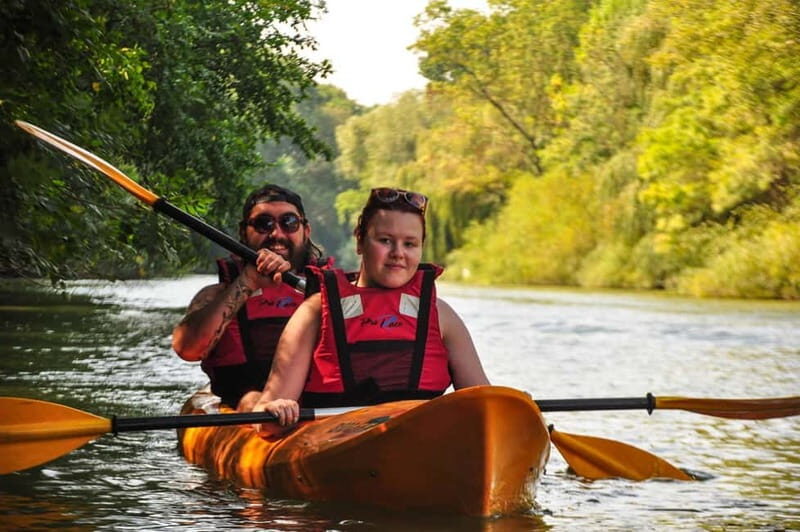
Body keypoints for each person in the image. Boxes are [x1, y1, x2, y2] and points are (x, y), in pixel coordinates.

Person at [247, 187, 489, 425]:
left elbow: (485, 404)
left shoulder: (442, 316)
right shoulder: (314, 311)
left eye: (410, 244)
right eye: (385, 240)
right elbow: (264, 416)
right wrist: (276, 408)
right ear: (360, 241)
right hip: (334, 443)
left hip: (421, 440)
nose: (398, 253)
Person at [171, 183, 328, 411]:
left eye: (289, 222)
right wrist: (248, 281)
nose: (276, 234)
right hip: (248, 407)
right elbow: (187, 349)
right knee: (251, 399)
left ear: (306, 230)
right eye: (264, 224)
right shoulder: (215, 295)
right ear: (244, 232)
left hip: (322, 409)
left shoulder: (332, 292)